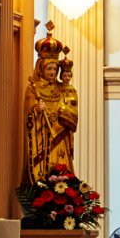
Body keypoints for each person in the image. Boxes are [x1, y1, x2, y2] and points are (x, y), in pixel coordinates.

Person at [22, 21, 79, 192]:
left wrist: (63, 112)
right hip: (41, 137)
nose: (53, 72)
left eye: (55, 69)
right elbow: (28, 113)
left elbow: (72, 112)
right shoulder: (33, 88)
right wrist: (36, 109)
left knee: (61, 167)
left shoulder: (63, 88)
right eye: (49, 69)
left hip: (59, 138)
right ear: (41, 68)